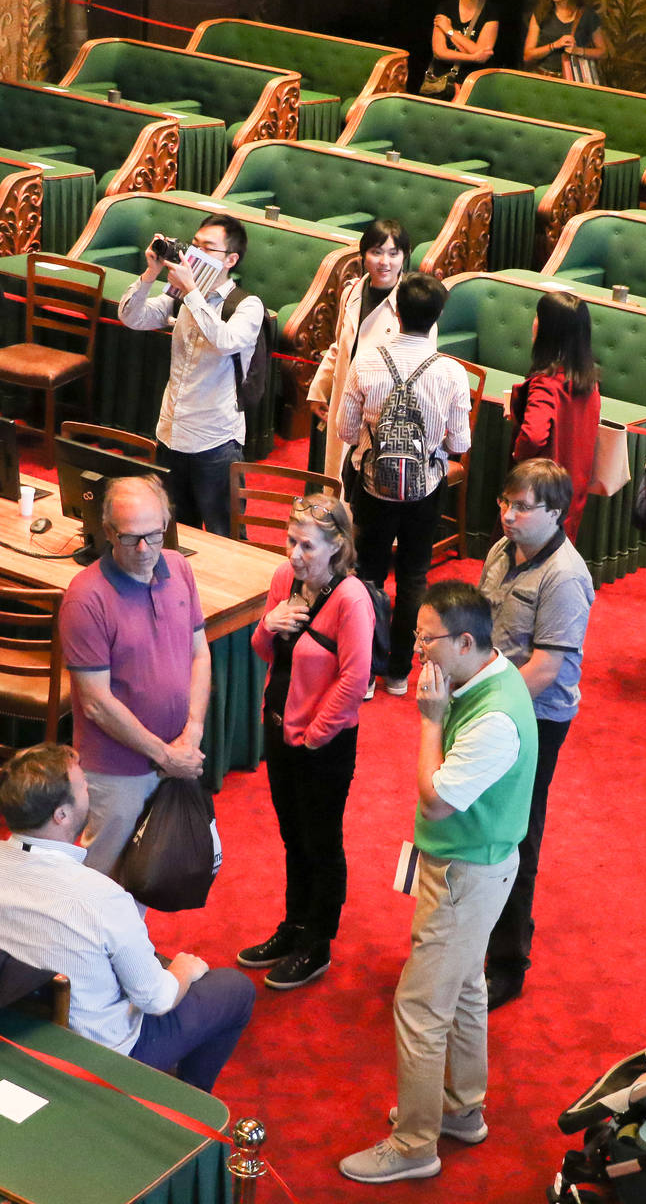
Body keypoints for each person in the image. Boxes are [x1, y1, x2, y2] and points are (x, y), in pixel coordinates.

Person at [340, 582, 535, 1185]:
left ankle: (414, 1144)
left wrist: (430, 721)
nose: (419, 649)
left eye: (428, 640)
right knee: (468, 989)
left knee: (420, 1008)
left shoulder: (495, 718)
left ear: (467, 642)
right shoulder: (485, 680)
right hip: (474, 867)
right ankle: (460, 1108)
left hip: (464, 875)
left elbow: (436, 799)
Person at [0, 743, 254, 1091]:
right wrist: (184, 971)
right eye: (82, 785)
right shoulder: (102, 896)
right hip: (97, 1056)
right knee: (236, 989)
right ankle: (189, 1103)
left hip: (6, 1019)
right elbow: (156, 1000)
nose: (89, 788)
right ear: (61, 814)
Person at [238, 493, 373, 990]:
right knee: (292, 836)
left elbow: (355, 680)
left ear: (336, 547)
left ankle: (317, 943)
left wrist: (313, 736)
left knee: (321, 842)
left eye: (307, 546)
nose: (295, 554)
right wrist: (266, 625)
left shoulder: (351, 599)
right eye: (291, 540)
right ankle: (292, 927)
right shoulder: (283, 580)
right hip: (277, 729)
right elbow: (263, 651)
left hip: (324, 744)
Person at [479, 460, 594, 1010]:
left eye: (523, 507)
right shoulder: (501, 551)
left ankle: (507, 963)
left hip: (535, 720)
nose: (508, 514)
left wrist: (484, 709)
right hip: (493, 707)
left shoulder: (565, 576)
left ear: (556, 512)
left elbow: (547, 667)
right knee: (479, 826)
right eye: (506, 502)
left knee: (518, 837)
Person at [59, 476, 211, 877]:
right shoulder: (85, 597)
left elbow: (199, 652)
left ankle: (131, 944)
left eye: (154, 535)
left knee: (148, 876)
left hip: (176, 753)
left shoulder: (179, 569)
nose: (145, 550)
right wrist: (166, 756)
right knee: (101, 878)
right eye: (130, 539)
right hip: (117, 769)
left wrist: (193, 729)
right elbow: (96, 703)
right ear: (109, 532)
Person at [335, 273, 472, 697]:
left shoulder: (368, 361)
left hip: (372, 486)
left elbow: (344, 429)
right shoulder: (451, 371)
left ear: (396, 312)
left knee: (368, 575)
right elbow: (462, 442)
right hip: (425, 488)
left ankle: (365, 671)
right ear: (438, 317)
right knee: (413, 577)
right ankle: (397, 673)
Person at [118, 214, 264, 537]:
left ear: (231, 259)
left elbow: (224, 341)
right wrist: (151, 272)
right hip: (170, 434)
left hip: (215, 440)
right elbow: (132, 317)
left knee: (222, 538)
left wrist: (193, 292)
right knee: (173, 535)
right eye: (193, 245)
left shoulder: (247, 305)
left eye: (206, 249)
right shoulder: (180, 294)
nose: (193, 254)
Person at [308, 220, 418, 487]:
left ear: (404, 257)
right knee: (337, 482)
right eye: (376, 252)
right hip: (345, 401)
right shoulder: (352, 291)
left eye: (394, 254)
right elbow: (338, 346)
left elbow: (419, 366)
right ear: (363, 255)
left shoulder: (413, 301)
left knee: (370, 490)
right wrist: (319, 390)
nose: (385, 262)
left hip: (381, 413)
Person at [510, 292, 601, 540]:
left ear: (548, 329)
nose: (534, 322)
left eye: (538, 317)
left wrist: (518, 453)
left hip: (539, 493)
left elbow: (533, 436)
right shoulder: (588, 380)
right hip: (572, 488)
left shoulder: (546, 383)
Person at [424, 0, 499, 94]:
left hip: (472, 81)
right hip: (441, 80)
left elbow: (482, 52)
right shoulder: (446, 7)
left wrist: (450, 31)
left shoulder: (491, 12)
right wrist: (473, 57)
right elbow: (439, 52)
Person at [522, 0, 608, 79]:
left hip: (571, 81)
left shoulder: (587, 15)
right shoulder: (541, 13)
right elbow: (528, 55)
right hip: (541, 77)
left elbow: (603, 52)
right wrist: (554, 45)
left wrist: (579, 51)